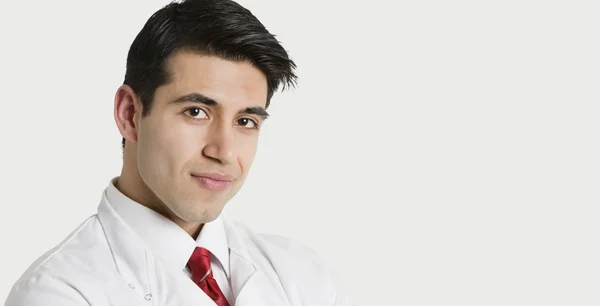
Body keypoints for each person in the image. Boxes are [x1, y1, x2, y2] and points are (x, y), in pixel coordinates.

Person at [4, 0, 351, 305]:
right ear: (130, 115)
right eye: (196, 112)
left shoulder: (304, 276)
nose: (225, 152)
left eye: (246, 120)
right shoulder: (57, 294)